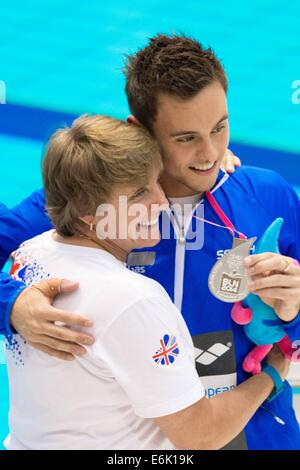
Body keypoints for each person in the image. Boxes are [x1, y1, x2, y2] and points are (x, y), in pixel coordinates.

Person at [1, 34, 300, 449]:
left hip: (249, 428)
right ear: (139, 130)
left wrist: (294, 308)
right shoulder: (90, 201)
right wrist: (10, 303)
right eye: (185, 138)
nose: (210, 153)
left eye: (219, 127)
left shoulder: (267, 196)